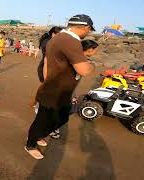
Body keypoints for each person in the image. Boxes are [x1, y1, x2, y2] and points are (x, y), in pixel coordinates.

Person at [25, 14, 96, 160]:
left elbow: (46, 60)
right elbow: (84, 70)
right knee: (46, 119)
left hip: (57, 88)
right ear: (86, 27)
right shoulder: (71, 41)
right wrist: (92, 66)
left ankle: (37, 135)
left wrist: (46, 80)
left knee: (60, 117)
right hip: (56, 90)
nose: (89, 33)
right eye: (89, 30)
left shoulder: (56, 38)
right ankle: (30, 144)